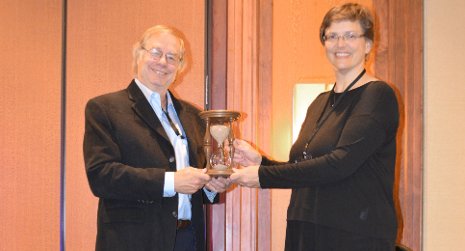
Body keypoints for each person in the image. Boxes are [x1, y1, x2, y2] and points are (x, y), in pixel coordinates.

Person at [230, 3, 399, 250]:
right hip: (305, 227)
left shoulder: (377, 95)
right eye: (332, 36)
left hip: (353, 235)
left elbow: (339, 163)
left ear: (368, 45)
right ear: (324, 44)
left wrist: (263, 176)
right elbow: (305, 167)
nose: (341, 44)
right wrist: (261, 162)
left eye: (351, 35)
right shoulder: (319, 102)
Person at [83, 25, 230, 251]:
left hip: (188, 239)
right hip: (133, 241)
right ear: (138, 54)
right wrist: (172, 181)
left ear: (180, 67)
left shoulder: (193, 116)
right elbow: (102, 176)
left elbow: (196, 182)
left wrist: (211, 186)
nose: (163, 62)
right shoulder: (104, 108)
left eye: (172, 57)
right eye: (156, 53)